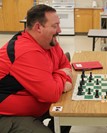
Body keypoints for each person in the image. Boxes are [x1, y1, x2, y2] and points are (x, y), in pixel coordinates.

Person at [0, 4, 72, 133]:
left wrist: (59, 77)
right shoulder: (26, 51)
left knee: (69, 113)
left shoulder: (50, 42)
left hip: (38, 104)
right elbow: (52, 94)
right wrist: (61, 76)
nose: (59, 30)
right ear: (38, 27)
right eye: (55, 26)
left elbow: (66, 65)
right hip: (7, 116)